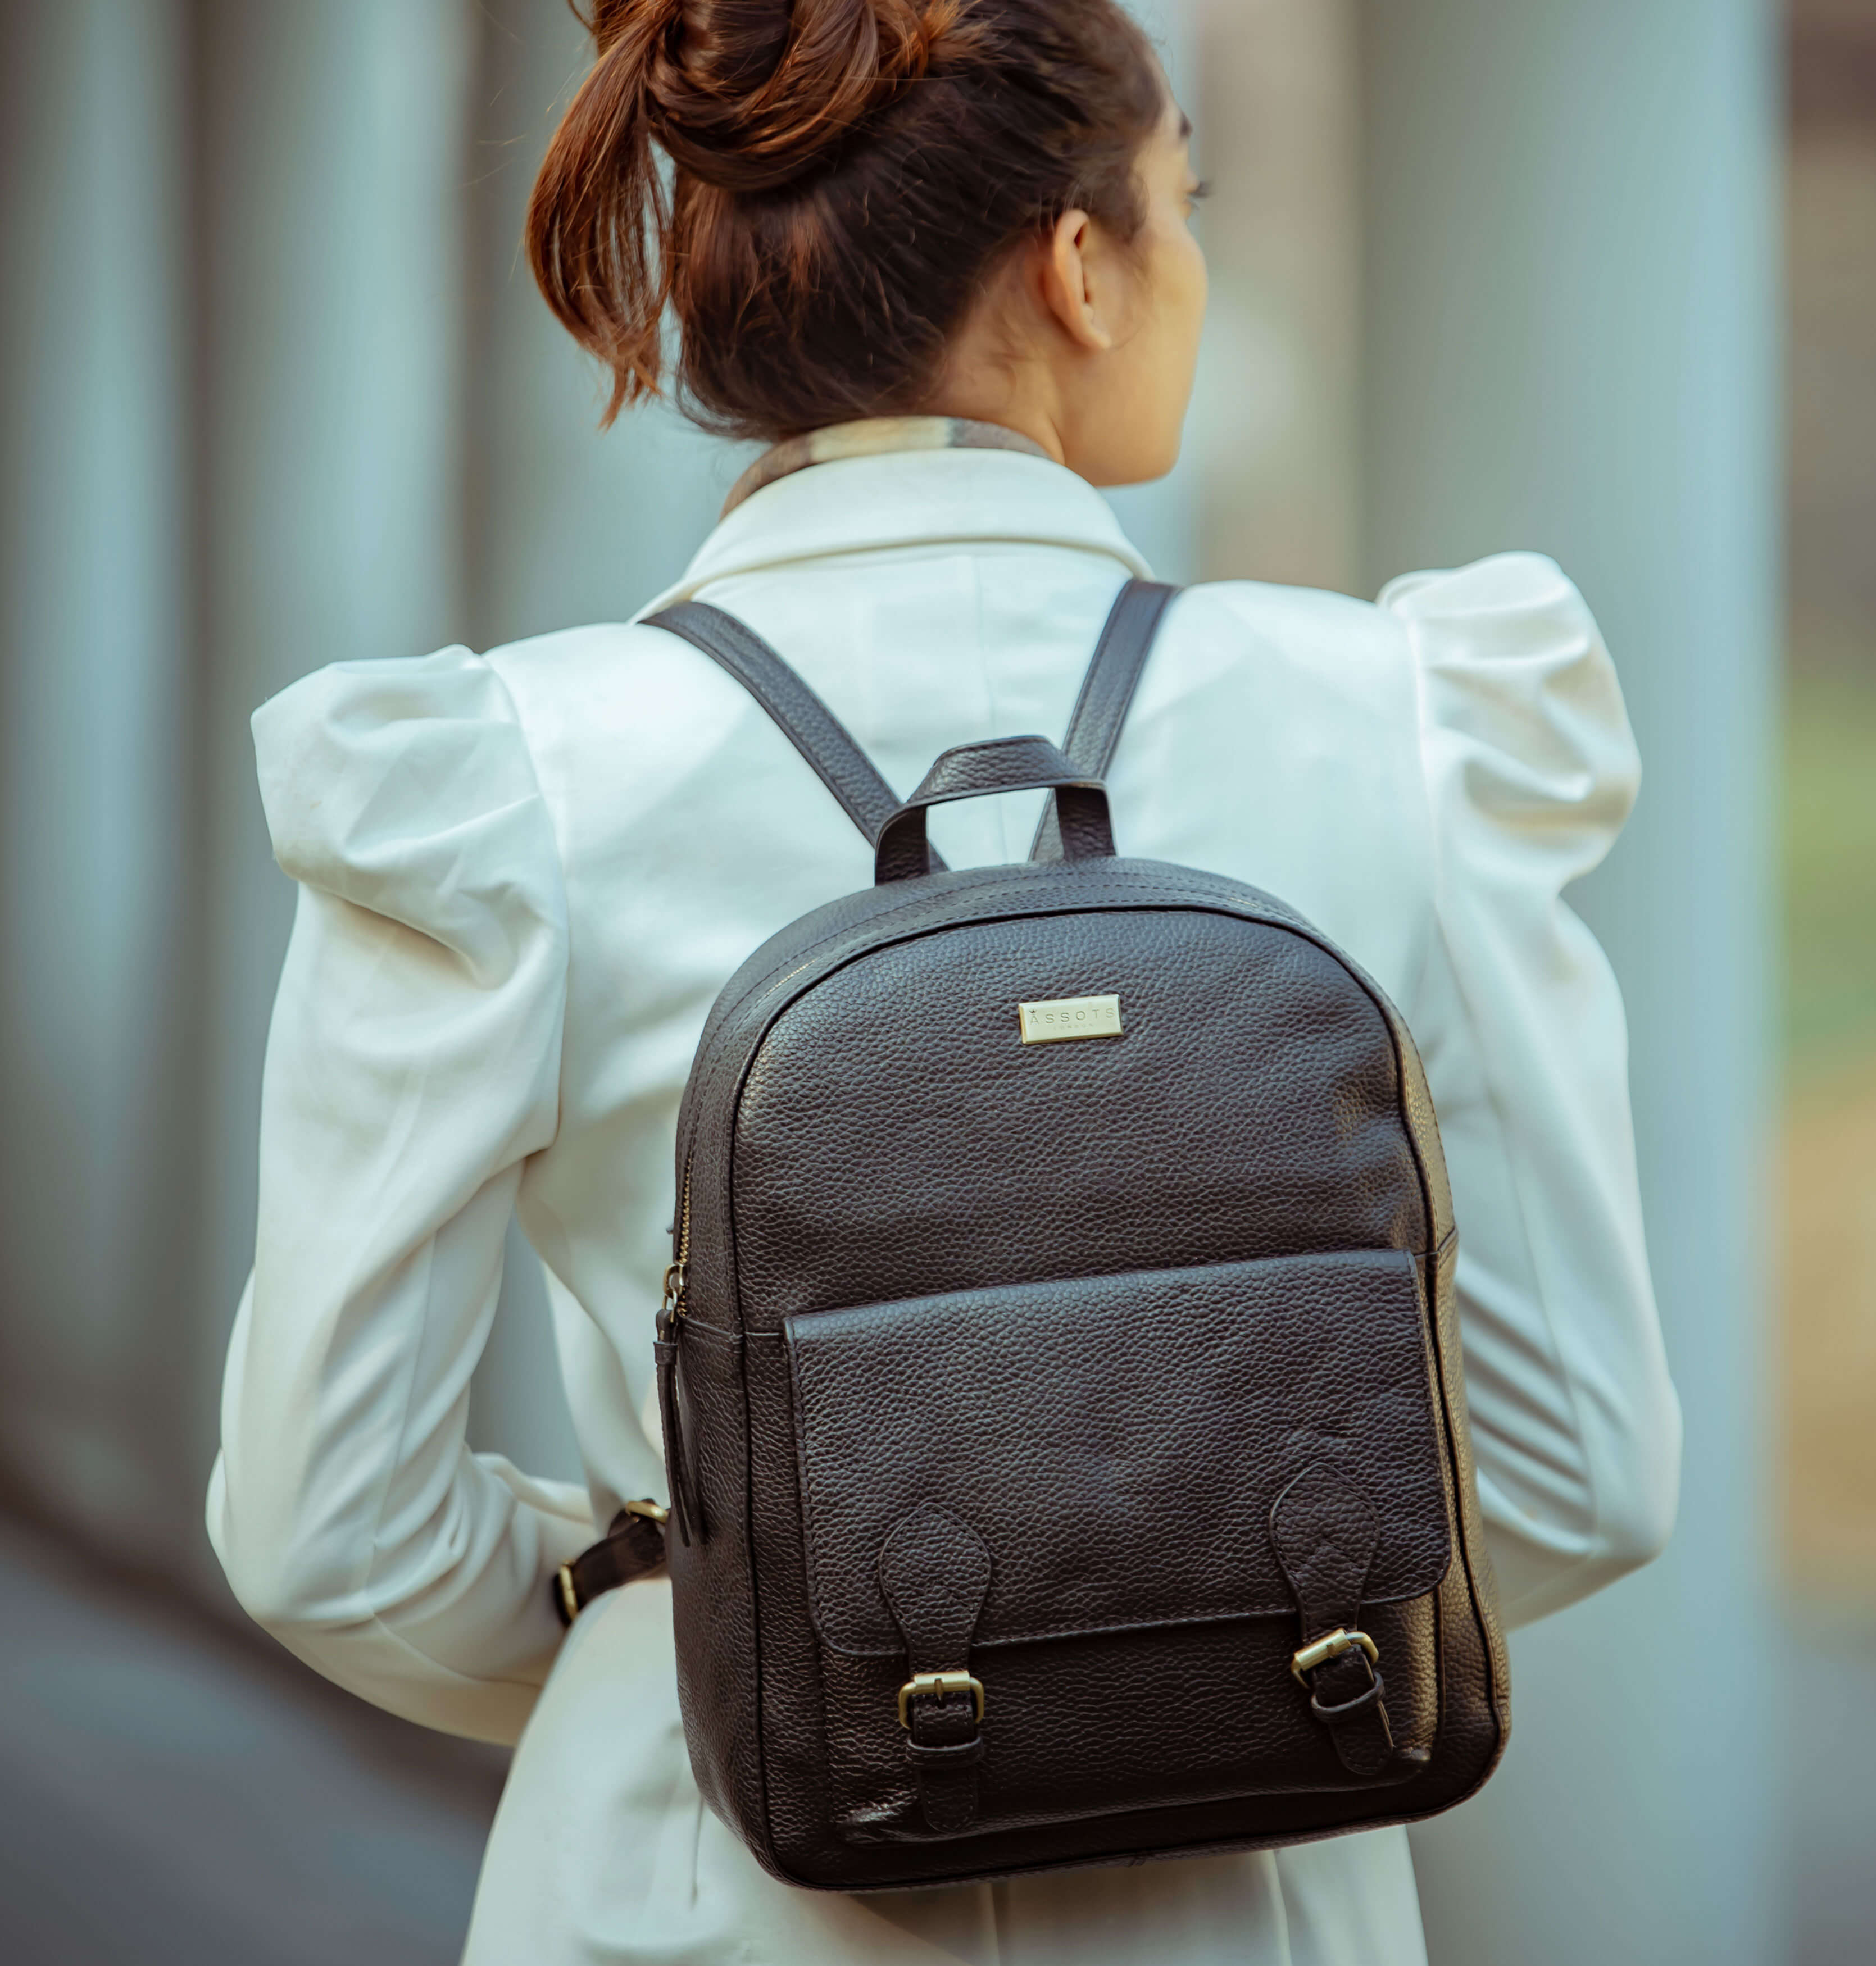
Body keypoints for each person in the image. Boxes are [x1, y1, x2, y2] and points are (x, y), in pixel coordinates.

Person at [208, 2, 1681, 1960]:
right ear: (1080, 265)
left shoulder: (503, 787)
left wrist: (736, 1622)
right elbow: (1579, 1470)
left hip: (692, 1886)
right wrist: (1176, 1607)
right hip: (1244, 1892)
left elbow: (332, 1527)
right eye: (1186, 203)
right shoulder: (1401, 724)